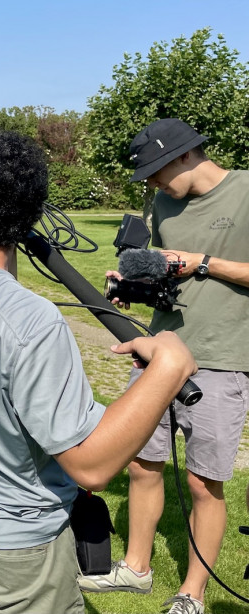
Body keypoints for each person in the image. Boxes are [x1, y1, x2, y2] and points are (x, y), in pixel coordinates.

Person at [0, 131, 198, 613]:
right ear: (26, 218)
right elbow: (91, 466)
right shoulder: (31, 321)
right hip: (18, 553)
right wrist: (169, 366)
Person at [78, 119, 249, 614]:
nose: (152, 184)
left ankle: (192, 594)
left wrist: (200, 262)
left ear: (184, 156)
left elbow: (197, 267)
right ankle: (136, 570)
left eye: (155, 172)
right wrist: (133, 284)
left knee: (202, 481)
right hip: (157, 351)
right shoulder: (164, 203)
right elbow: (165, 270)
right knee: (141, 464)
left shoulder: (244, 190)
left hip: (222, 357)